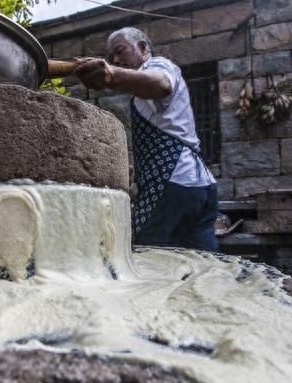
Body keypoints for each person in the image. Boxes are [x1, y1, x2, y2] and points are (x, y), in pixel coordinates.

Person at [74, 27, 218, 251]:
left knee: (141, 253)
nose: (116, 59)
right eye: (112, 57)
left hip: (173, 184)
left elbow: (161, 83)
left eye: (120, 51)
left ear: (143, 47)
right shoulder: (141, 93)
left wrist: (112, 76)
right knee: (206, 262)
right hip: (200, 186)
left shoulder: (157, 65)